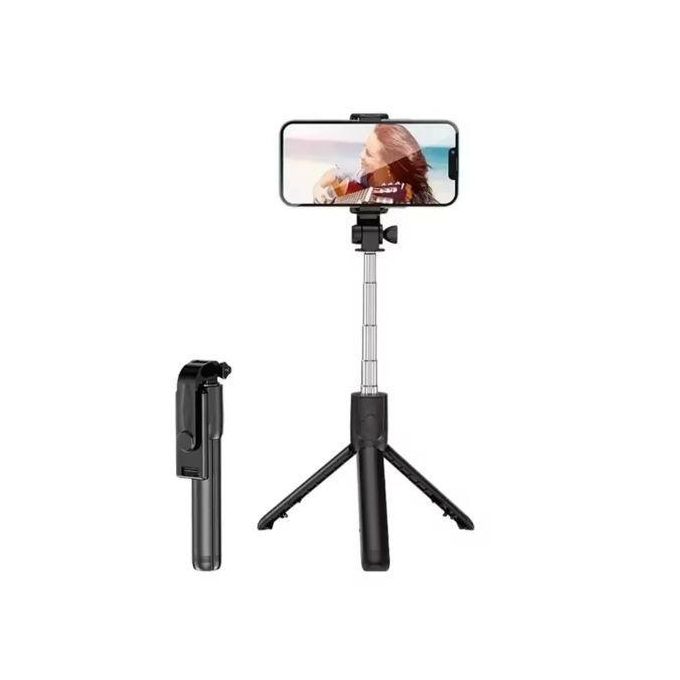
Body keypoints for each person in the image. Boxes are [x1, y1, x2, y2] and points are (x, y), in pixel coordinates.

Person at [313, 123, 437, 204]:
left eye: (369, 153)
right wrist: (319, 190)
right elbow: (334, 174)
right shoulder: (361, 174)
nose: (361, 155)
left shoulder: (407, 196)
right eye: (364, 147)